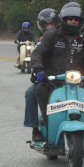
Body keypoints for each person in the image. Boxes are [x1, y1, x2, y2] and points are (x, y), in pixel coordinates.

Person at [30, 2, 84, 144]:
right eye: (70, 18)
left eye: (77, 19)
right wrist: (39, 70)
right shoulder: (50, 36)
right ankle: (48, 126)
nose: (73, 21)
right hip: (52, 81)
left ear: (81, 22)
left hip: (77, 83)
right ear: (63, 19)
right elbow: (38, 53)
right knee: (40, 91)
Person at [24, 8, 60, 140]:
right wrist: (37, 74)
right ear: (41, 26)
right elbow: (35, 59)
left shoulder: (65, 39)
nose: (50, 27)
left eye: (52, 24)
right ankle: (35, 129)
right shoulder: (39, 43)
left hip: (65, 79)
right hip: (46, 79)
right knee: (30, 94)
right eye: (46, 25)